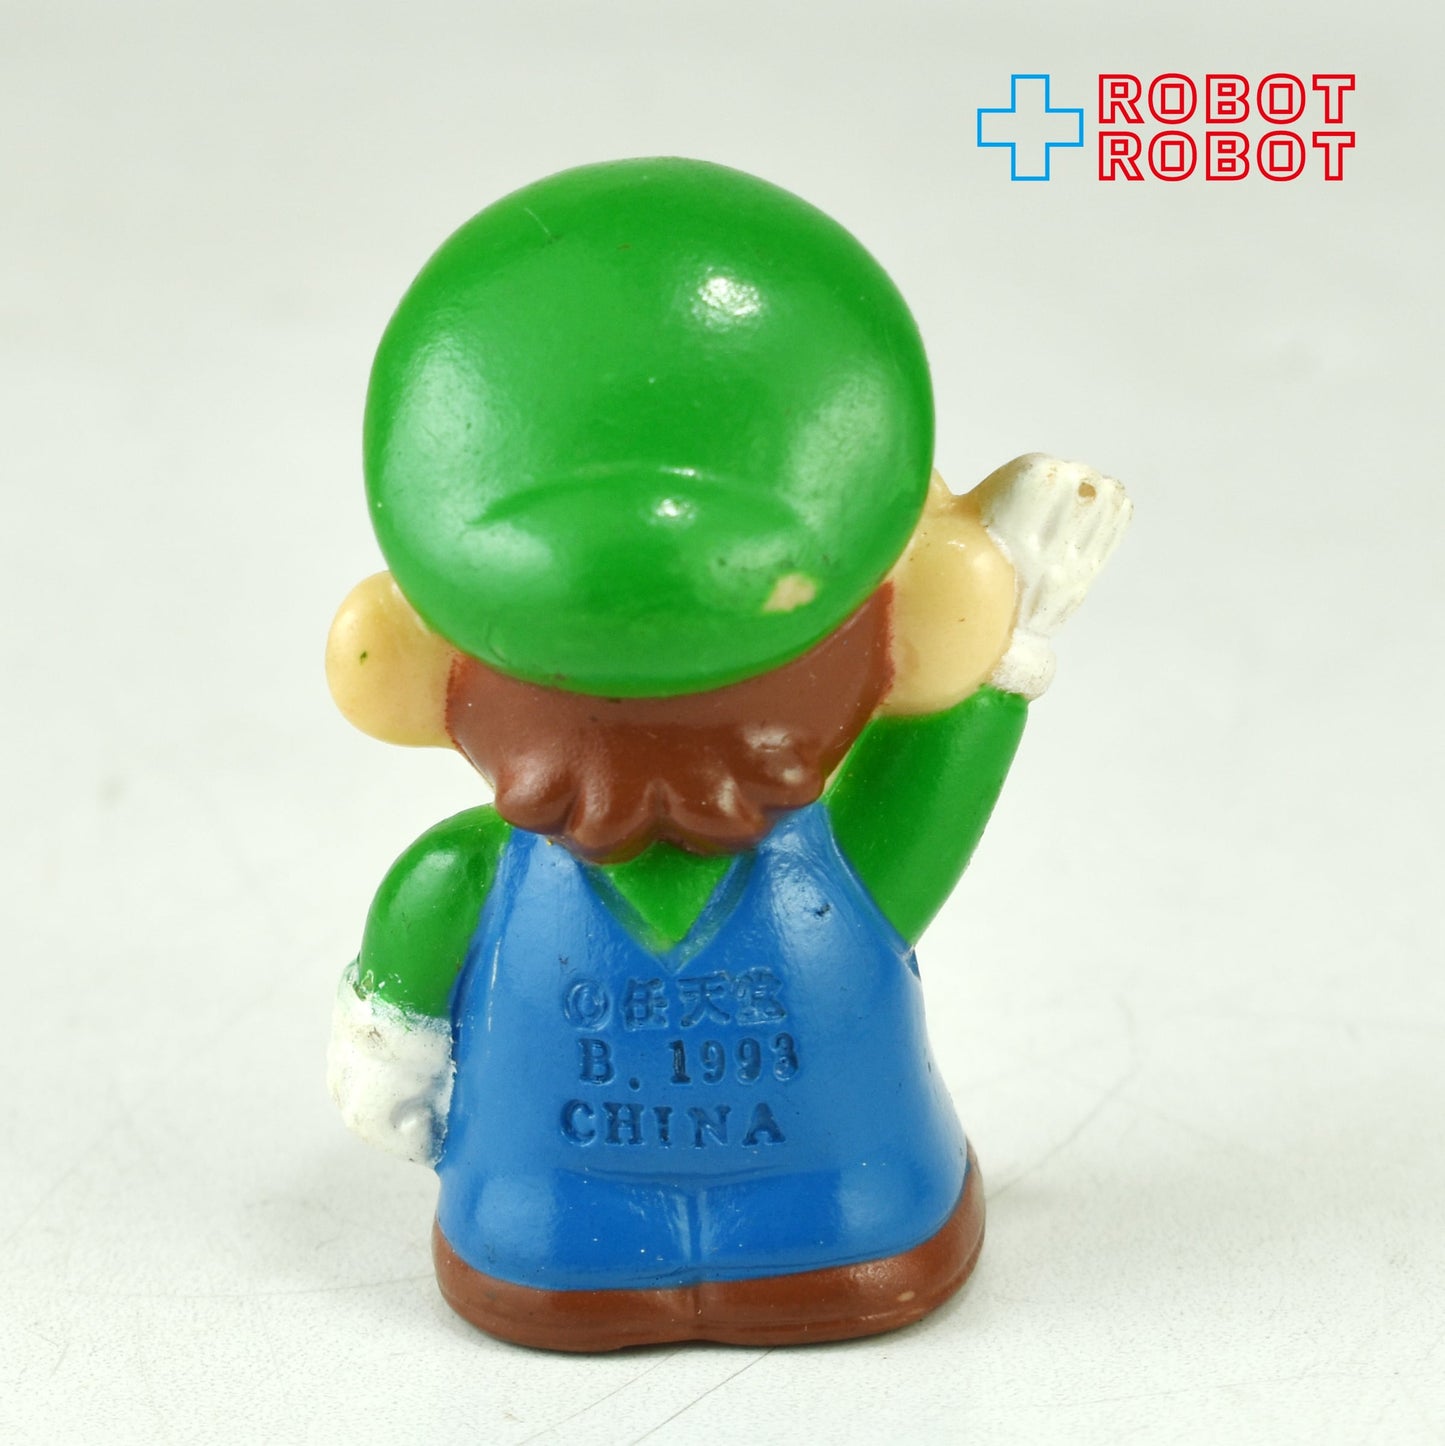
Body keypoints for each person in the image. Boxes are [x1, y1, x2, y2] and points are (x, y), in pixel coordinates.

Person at [324, 158, 1130, 1350]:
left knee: (832, 1210)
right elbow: (427, 908)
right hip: (549, 1200)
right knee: (553, 1226)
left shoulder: (822, 867)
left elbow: (925, 815)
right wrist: (388, 1034)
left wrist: (1012, 651)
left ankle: (809, 1237)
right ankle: (568, 1237)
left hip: (841, 1193)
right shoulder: (487, 874)